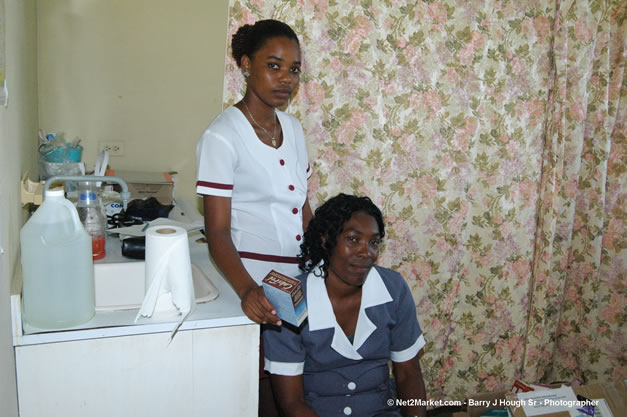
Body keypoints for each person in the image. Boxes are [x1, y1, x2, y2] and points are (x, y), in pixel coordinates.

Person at [195, 19, 312, 416]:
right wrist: (248, 291)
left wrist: (321, 265)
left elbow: (303, 204)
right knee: (261, 393)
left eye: (294, 69)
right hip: (255, 286)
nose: (286, 79)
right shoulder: (222, 137)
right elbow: (217, 232)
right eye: (274, 65)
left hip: (295, 286)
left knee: (298, 387)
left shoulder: (293, 129)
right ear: (246, 65)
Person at [263, 193, 427, 417]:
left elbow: (409, 374)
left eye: (374, 242)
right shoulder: (292, 300)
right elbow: (291, 403)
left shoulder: (392, 288)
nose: (366, 252)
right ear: (326, 239)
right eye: (353, 239)